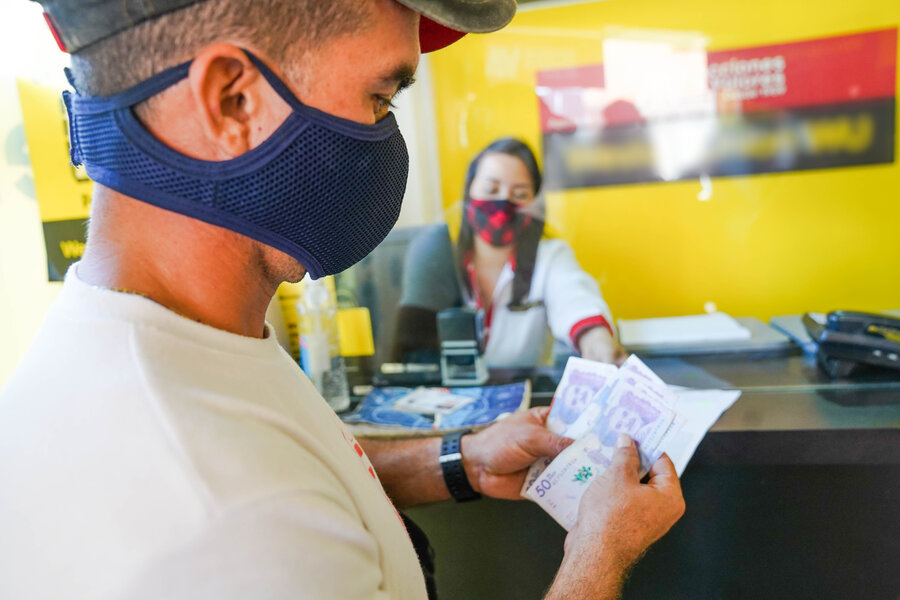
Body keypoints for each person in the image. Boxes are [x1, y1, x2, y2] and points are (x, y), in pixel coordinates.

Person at [0, 1, 684, 599]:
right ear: (232, 100)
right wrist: (601, 552)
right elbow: (262, 510)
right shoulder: (217, 520)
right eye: (381, 98)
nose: (387, 135)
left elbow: (296, 473)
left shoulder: (180, 348)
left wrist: (458, 461)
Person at [395, 138, 628, 368]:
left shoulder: (549, 257)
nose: (503, 203)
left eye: (519, 194)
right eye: (491, 189)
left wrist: (595, 339)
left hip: (524, 398)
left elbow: (574, 298)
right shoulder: (439, 255)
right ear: (468, 192)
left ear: (534, 204)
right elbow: (409, 345)